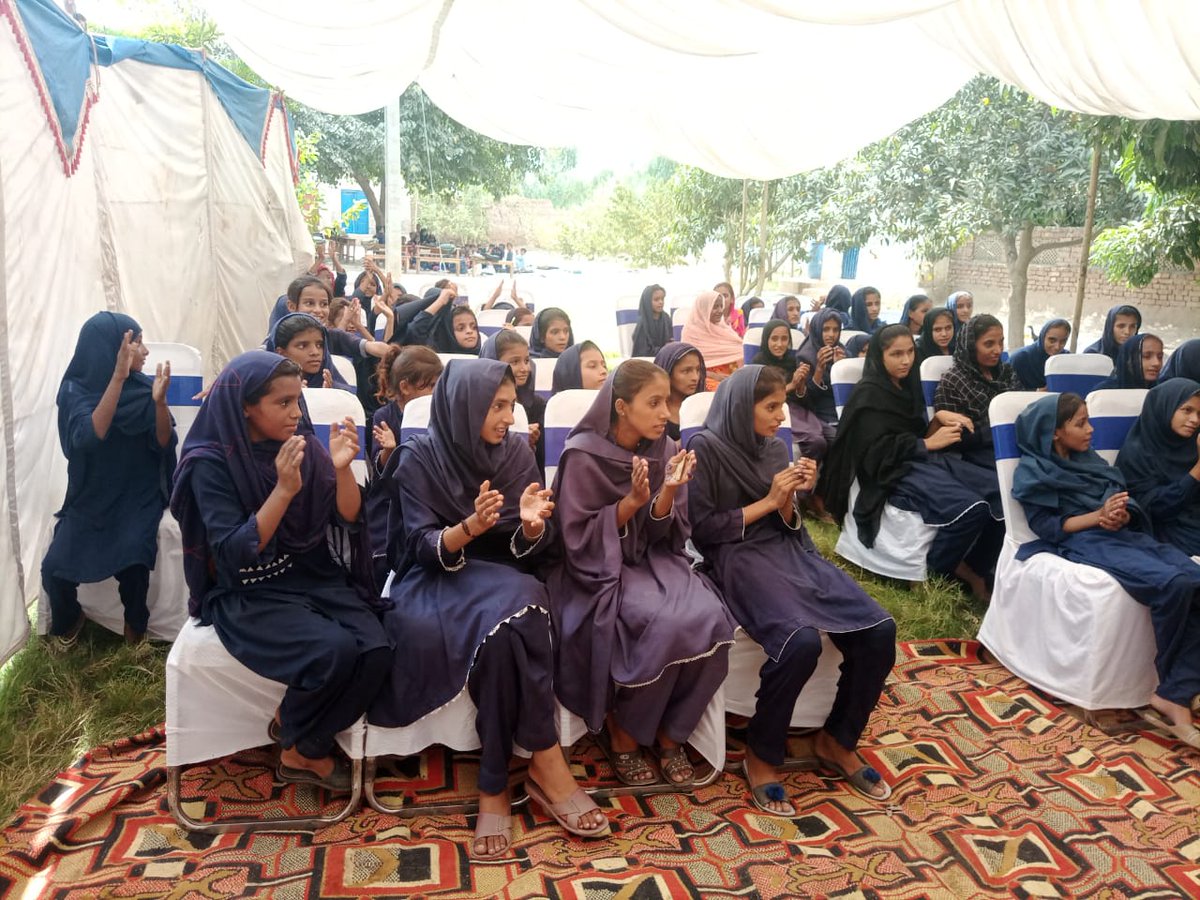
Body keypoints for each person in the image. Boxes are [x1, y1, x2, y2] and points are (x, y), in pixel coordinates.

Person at [369, 360, 608, 859]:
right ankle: (544, 762)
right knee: (515, 618)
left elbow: (525, 550)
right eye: (497, 406)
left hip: (501, 577)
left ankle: (494, 784)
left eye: (511, 404)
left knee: (510, 626)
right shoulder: (418, 459)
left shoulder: (516, 454)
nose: (508, 416)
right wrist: (471, 528)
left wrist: (532, 527)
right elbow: (414, 546)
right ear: (465, 406)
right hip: (437, 580)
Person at [170, 351, 392, 791]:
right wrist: (284, 491)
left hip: (311, 576)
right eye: (283, 403)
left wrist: (341, 470)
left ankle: (295, 736)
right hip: (250, 590)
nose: (296, 413)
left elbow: (347, 518)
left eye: (298, 401)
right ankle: (306, 749)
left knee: (377, 650)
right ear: (246, 406)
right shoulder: (211, 462)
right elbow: (234, 555)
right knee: (333, 651)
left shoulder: (304, 445)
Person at [688, 366, 896, 811]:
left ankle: (837, 740)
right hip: (737, 559)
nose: (782, 416)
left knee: (879, 630)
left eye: (782, 404)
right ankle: (762, 755)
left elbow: (791, 525)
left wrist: (789, 499)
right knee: (799, 642)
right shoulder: (704, 448)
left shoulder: (774, 448)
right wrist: (767, 500)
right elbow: (702, 530)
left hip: (789, 553)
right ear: (743, 407)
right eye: (771, 407)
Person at [548, 361, 736, 787]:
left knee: (710, 616)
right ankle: (626, 733)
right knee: (659, 620)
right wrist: (630, 502)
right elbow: (574, 538)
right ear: (620, 406)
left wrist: (667, 491)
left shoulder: (667, 451)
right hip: (598, 565)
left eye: (666, 403)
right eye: (653, 404)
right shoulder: (582, 454)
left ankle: (672, 734)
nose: (665, 414)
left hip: (654, 558)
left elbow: (668, 535)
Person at [1012, 392, 1200, 747]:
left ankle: (1176, 690)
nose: (1091, 429)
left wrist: (1119, 514)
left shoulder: (1090, 461)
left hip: (1121, 536)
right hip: (1086, 542)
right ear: (1055, 432)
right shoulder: (1034, 471)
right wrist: (1097, 518)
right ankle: (1176, 694)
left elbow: (1119, 503)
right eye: (1081, 423)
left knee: (1195, 579)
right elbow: (1048, 526)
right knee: (1173, 583)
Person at [820, 325, 1003, 601]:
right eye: (896, 354)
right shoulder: (868, 394)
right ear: (880, 357)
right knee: (971, 508)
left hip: (918, 459)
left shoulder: (907, 386)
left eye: (909, 352)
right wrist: (928, 443)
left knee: (999, 491)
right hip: (889, 470)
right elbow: (872, 453)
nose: (905, 360)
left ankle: (974, 569)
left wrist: (940, 418)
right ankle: (936, 575)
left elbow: (914, 434)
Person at [42, 312, 176, 648]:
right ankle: (70, 618)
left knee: (134, 559)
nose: (145, 351)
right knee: (53, 568)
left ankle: (136, 629)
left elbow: (163, 443)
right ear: (110, 349)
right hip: (91, 495)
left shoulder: (146, 388)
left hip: (136, 493)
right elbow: (88, 437)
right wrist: (116, 379)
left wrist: (159, 405)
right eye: (137, 343)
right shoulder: (75, 391)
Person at [366, 346, 443, 584]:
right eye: (429, 386)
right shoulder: (384, 416)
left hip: (431, 495)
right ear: (405, 386)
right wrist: (390, 450)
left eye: (439, 387)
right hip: (391, 500)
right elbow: (380, 470)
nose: (435, 393)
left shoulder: (442, 412)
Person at [1116, 378, 1200, 556]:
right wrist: (1198, 470)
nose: (1195, 420)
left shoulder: (1193, 444)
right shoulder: (1137, 453)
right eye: (1187, 410)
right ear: (1165, 407)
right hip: (1163, 528)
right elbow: (1152, 509)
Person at [933, 314, 1021, 467]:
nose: (998, 350)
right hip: (975, 455)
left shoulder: (1006, 372)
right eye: (989, 344)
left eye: (1001, 343)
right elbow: (954, 439)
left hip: (1015, 443)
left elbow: (1020, 410)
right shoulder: (953, 381)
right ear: (971, 346)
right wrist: (998, 429)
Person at [793, 308, 847, 457]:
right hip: (816, 413)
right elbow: (805, 401)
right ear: (817, 329)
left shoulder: (842, 352)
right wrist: (819, 369)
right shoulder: (805, 356)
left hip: (840, 411)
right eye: (826, 329)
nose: (831, 335)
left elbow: (848, 394)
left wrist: (840, 369)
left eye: (835, 329)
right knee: (837, 440)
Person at [481, 330, 544, 454]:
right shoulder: (479, 401)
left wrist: (530, 443)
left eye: (526, 361)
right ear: (493, 362)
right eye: (515, 362)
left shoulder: (538, 405)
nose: (524, 369)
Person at [266, 313, 353, 392]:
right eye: (302, 346)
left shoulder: (340, 392)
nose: (315, 352)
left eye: (319, 345)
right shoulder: (265, 393)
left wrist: (328, 398)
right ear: (280, 353)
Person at [681, 290, 744, 387]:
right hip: (704, 376)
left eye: (720, 306)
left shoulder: (725, 329)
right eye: (714, 307)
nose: (720, 310)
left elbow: (740, 352)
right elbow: (687, 365)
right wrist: (714, 376)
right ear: (703, 309)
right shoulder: (690, 332)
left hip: (732, 375)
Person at [407, 284, 481, 356]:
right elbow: (415, 329)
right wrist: (440, 302)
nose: (469, 331)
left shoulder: (485, 357)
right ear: (448, 331)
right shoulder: (434, 358)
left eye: (474, 327)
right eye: (460, 328)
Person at [654, 342, 706, 442]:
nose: (695, 377)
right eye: (686, 371)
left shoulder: (703, 406)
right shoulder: (652, 411)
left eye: (698, 370)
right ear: (667, 372)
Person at [1009, 319, 1070, 391]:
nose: (1057, 347)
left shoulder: (1067, 359)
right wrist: (1036, 391)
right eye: (1052, 340)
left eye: (1063, 341)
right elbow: (1005, 389)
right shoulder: (1020, 358)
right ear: (1043, 337)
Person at [1094, 333, 1164, 390]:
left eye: (1160, 357)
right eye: (1146, 356)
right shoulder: (1103, 392)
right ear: (1129, 360)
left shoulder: (1163, 393)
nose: (1156, 363)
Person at [631, 284, 671, 358]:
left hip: (666, 358)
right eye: (656, 299)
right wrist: (665, 350)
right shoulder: (643, 324)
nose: (661, 302)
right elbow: (642, 351)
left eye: (662, 299)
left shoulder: (666, 318)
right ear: (647, 302)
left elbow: (670, 340)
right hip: (647, 362)